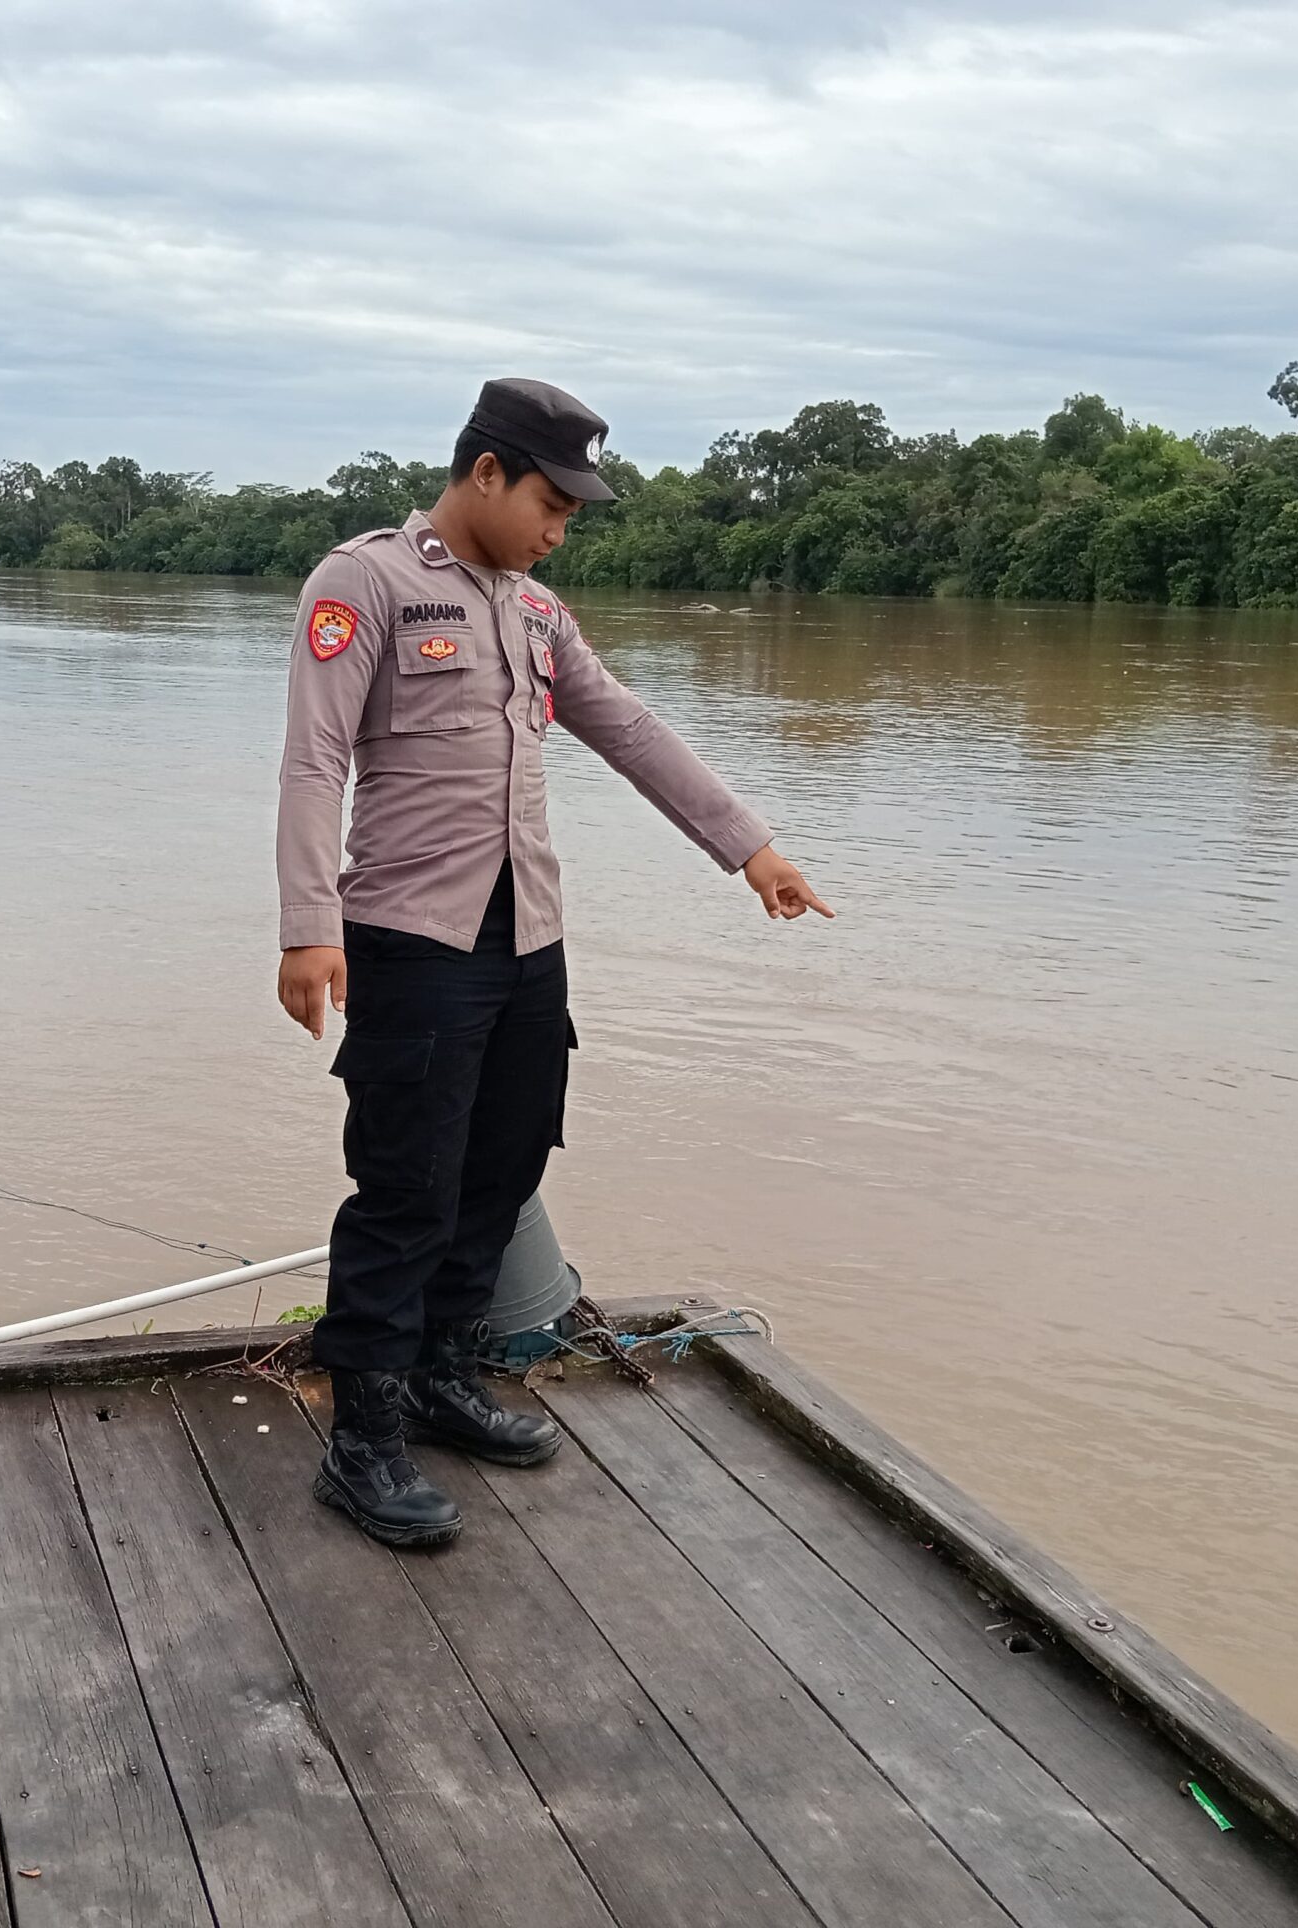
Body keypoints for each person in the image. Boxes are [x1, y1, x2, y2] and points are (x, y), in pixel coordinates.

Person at [277, 377, 832, 1546]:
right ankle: (363, 1435)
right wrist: (307, 923)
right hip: (411, 939)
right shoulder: (365, 582)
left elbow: (627, 727)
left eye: (570, 514)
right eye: (551, 503)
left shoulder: (534, 612)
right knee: (406, 1185)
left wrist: (750, 847)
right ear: (486, 472)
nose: (558, 529)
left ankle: (437, 1371)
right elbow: (314, 760)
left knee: (506, 1157)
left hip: (527, 937)